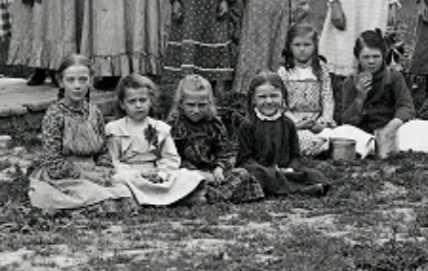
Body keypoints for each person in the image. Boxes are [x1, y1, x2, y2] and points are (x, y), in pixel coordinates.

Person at [28, 55, 132, 210]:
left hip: (93, 169)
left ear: (90, 81)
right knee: (95, 196)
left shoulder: (94, 112)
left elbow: (103, 150)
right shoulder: (54, 115)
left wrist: (104, 170)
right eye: (71, 80)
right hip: (65, 175)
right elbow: (53, 162)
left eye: (83, 80)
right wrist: (85, 176)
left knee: (124, 191)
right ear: (61, 82)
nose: (77, 86)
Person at [105, 75, 205, 206]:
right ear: (122, 104)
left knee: (186, 175)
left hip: (156, 173)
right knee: (118, 180)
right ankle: (166, 199)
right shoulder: (114, 129)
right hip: (131, 176)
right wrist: (137, 174)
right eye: (132, 101)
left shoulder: (160, 128)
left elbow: (170, 158)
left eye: (143, 100)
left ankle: (172, 196)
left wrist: (161, 174)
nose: (138, 105)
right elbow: (113, 161)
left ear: (150, 101)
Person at [168, 74, 264, 203]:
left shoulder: (215, 124)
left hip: (212, 173)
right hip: (187, 174)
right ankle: (203, 195)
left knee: (242, 174)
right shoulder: (174, 125)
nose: (196, 110)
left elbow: (226, 151)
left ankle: (205, 196)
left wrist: (220, 167)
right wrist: (197, 174)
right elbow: (172, 158)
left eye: (201, 105)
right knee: (176, 179)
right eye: (191, 105)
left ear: (209, 103)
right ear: (181, 103)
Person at [235, 72, 331, 197]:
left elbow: (295, 155)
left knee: (315, 175)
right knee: (256, 175)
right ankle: (300, 191)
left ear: (283, 96)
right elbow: (245, 159)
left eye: (274, 96)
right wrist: (268, 170)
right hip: (261, 170)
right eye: (262, 97)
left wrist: (291, 168)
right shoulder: (248, 125)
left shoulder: (288, 123)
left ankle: (288, 187)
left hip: (285, 170)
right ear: (253, 99)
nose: (268, 101)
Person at [341, 29, 415, 158]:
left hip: (390, 128)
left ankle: (381, 146)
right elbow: (346, 120)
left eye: (376, 56)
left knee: (415, 127)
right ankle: (371, 146)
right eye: (366, 57)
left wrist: (390, 127)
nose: (371, 61)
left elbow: (406, 106)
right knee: (342, 132)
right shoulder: (350, 81)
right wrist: (360, 97)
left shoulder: (394, 77)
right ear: (358, 57)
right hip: (363, 132)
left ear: (383, 55)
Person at [276, 24, 335, 156]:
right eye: (297, 45)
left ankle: (326, 145)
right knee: (301, 138)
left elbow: (327, 99)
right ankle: (318, 148)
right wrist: (297, 124)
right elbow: (281, 105)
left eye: (307, 45)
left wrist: (323, 122)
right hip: (294, 124)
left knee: (340, 133)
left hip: (317, 123)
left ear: (315, 46)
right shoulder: (284, 71)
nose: (302, 49)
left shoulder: (321, 69)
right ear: (289, 46)